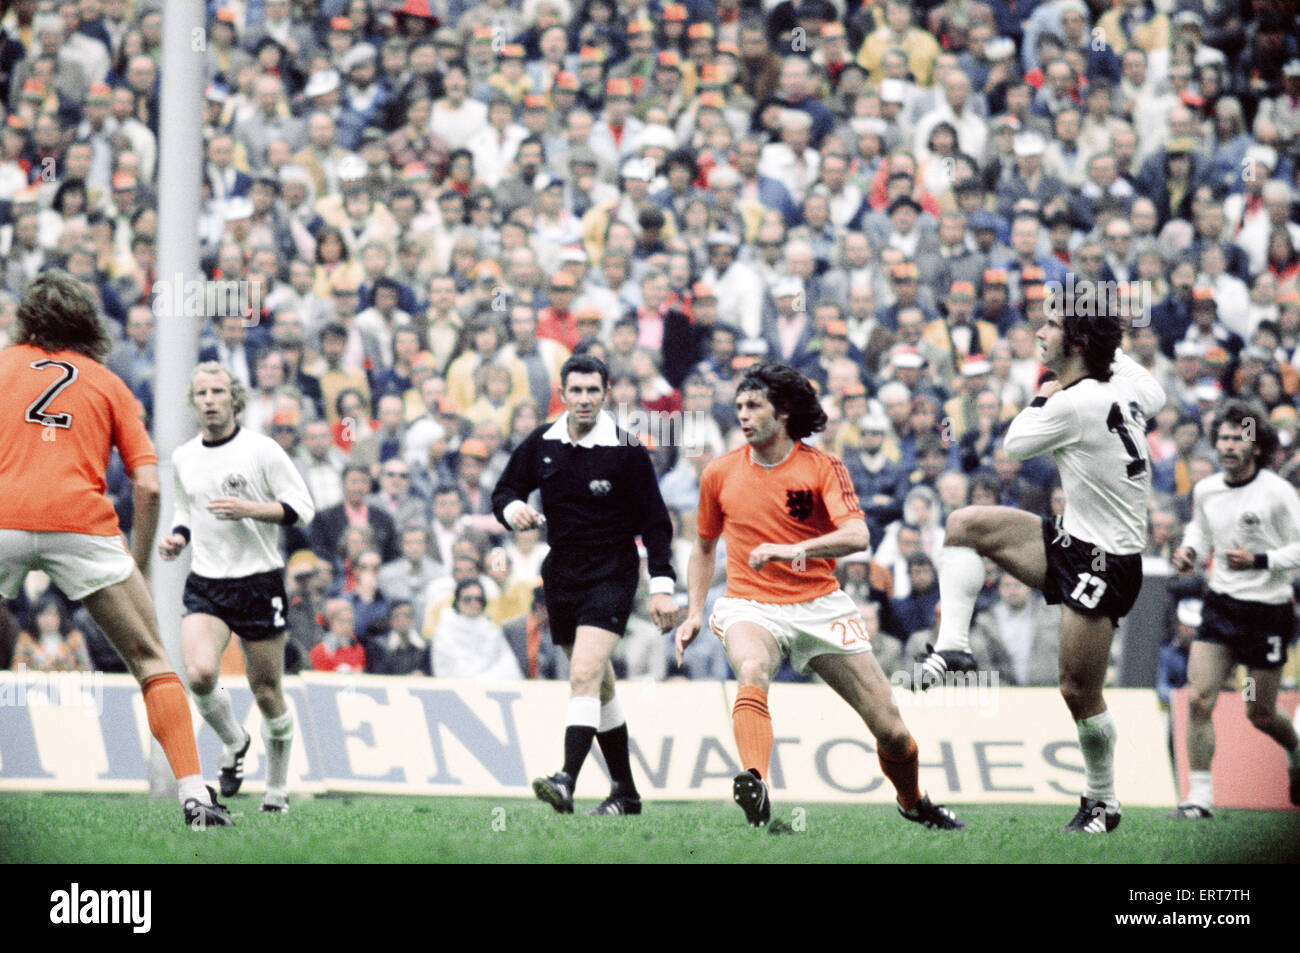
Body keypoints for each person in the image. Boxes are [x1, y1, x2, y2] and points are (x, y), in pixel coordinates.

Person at [674, 362, 964, 831]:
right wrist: (692, 612)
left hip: (820, 605)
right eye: (740, 406)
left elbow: (856, 535)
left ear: (783, 412)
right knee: (752, 667)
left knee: (890, 727)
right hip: (750, 603)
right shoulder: (719, 473)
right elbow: (704, 547)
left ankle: (912, 802)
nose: (743, 415)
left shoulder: (822, 467)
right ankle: (756, 782)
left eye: (754, 406)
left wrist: (792, 550)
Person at [919, 302, 1165, 833]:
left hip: (1107, 561)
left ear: (1075, 344)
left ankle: (1103, 801)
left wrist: (1042, 393)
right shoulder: (1129, 389)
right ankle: (954, 646)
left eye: (1052, 326)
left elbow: (1013, 445)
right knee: (963, 524)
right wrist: (1099, 339)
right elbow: (1150, 386)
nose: (1039, 332)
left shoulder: (1073, 404)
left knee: (1078, 692)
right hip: (1072, 538)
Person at [0, 269, 231, 828]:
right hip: (84, 524)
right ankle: (196, 798)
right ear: (89, 322)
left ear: (27, 320)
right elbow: (149, 485)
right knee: (153, 660)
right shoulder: (108, 382)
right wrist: (137, 557)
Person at [492, 354, 678, 816]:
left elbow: (656, 522)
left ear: (607, 392)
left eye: (593, 390)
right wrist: (514, 511)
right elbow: (505, 491)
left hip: (612, 573)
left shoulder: (626, 449)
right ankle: (627, 794)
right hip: (562, 576)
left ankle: (566, 779)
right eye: (575, 390)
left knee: (581, 675)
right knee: (600, 685)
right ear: (563, 393)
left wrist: (660, 585)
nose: (584, 399)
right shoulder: (543, 441)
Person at [158, 362, 316, 815]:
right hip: (207, 582)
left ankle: (277, 791)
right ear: (193, 401)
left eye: (217, 392)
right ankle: (235, 739)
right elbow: (186, 510)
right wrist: (178, 538)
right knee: (202, 674)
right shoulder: (185, 457)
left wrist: (249, 508)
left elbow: (301, 509)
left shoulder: (261, 451)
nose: (209, 400)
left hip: (259, 581)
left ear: (235, 399)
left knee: (266, 691)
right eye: (201, 393)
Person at [1170, 401, 1300, 816]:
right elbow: (1202, 528)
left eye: (1237, 438)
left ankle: (1296, 753)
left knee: (1257, 712)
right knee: (1199, 699)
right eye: (1222, 438)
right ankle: (1199, 798)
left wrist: (1261, 561)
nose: (1228, 445)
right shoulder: (1207, 489)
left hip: (1268, 613)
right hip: (1222, 608)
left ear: (1256, 446)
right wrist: (1191, 549)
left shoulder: (1277, 493)